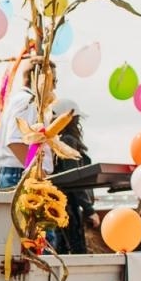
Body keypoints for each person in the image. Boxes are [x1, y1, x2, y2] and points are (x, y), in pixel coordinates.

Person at [50, 100, 101, 254]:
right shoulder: (68, 141)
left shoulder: (59, 141)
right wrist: (89, 209)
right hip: (69, 207)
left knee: (63, 250)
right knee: (76, 251)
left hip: (61, 206)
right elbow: (73, 179)